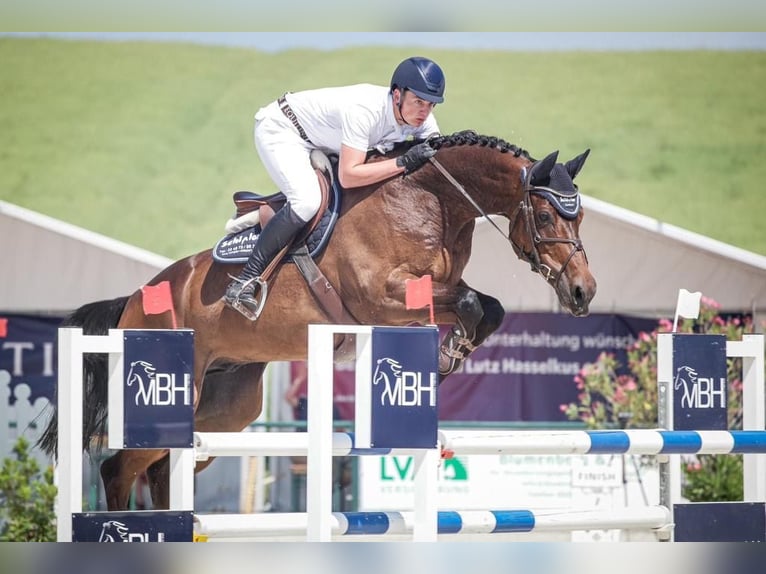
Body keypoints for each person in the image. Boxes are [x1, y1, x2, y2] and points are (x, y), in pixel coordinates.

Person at [223, 56, 446, 320]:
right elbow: (350, 175)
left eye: (430, 104)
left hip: (324, 140)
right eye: (418, 101)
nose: (424, 111)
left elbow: (437, 156)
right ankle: (244, 282)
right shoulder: (365, 111)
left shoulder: (422, 121)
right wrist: (402, 162)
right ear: (397, 95)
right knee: (307, 201)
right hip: (284, 130)